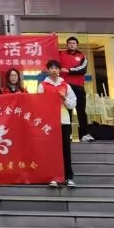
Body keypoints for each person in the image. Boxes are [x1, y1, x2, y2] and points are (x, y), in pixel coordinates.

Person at [38, 59, 77, 188]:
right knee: (51, 150)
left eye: (56, 68)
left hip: (64, 121)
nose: (54, 70)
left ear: (59, 70)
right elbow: (39, 105)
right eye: (51, 68)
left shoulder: (66, 86)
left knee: (66, 149)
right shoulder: (42, 86)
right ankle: (53, 177)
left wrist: (64, 98)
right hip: (49, 123)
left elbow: (72, 104)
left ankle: (68, 177)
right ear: (47, 70)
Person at [59, 37, 91, 142]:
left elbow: (82, 70)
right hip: (65, 86)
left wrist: (68, 70)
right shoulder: (61, 54)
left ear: (77, 45)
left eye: (74, 43)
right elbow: (51, 55)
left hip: (79, 87)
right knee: (66, 111)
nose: (72, 45)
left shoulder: (82, 56)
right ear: (67, 44)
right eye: (70, 43)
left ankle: (84, 134)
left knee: (81, 110)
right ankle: (67, 134)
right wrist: (52, 37)